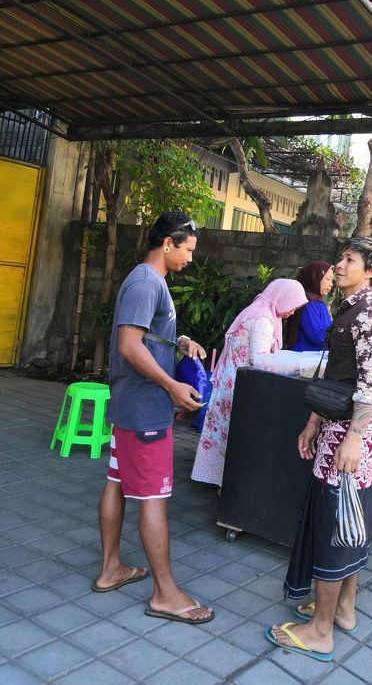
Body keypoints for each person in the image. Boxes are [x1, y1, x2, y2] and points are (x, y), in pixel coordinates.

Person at [265, 237, 372, 663]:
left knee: (335, 523)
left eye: (349, 260)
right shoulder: (351, 307)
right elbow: (339, 374)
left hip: (352, 434)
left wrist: (352, 437)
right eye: (341, 258)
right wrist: (314, 420)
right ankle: (342, 609)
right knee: (348, 519)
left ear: (370, 269)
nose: (339, 265)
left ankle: (320, 631)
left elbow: (369, 385)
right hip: (337, 425)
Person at [93, 212, 214, 624]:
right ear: (167, 243)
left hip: (131, 405)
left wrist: (178, 341)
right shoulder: (147, 282)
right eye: (188, 250)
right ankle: (164, 593)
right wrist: (171, 386)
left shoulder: (149, 282)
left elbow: (142, 335)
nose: (190, 259)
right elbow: (129, 345)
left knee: (117, 481)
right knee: (153, 498)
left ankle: (111, 568)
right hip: (144, 408)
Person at [191, 278, 308, 488]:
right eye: (292, 306)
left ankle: (217, 479)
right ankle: (227, 484)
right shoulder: (263, 320)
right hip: (239, 386)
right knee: (233, 432)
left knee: (222, 431)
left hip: (230, 380)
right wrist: (293, 366)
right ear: (282, 297)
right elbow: (259, 359)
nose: (292, 312)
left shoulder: (261, 311)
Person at [286, 261, 334, 352]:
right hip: (304, 357)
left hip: (313, 357)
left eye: (332, 280)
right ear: (315, 278)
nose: (331, 284)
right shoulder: (308, 303)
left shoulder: (318, 302)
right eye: (328, 279)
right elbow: (317, 335)